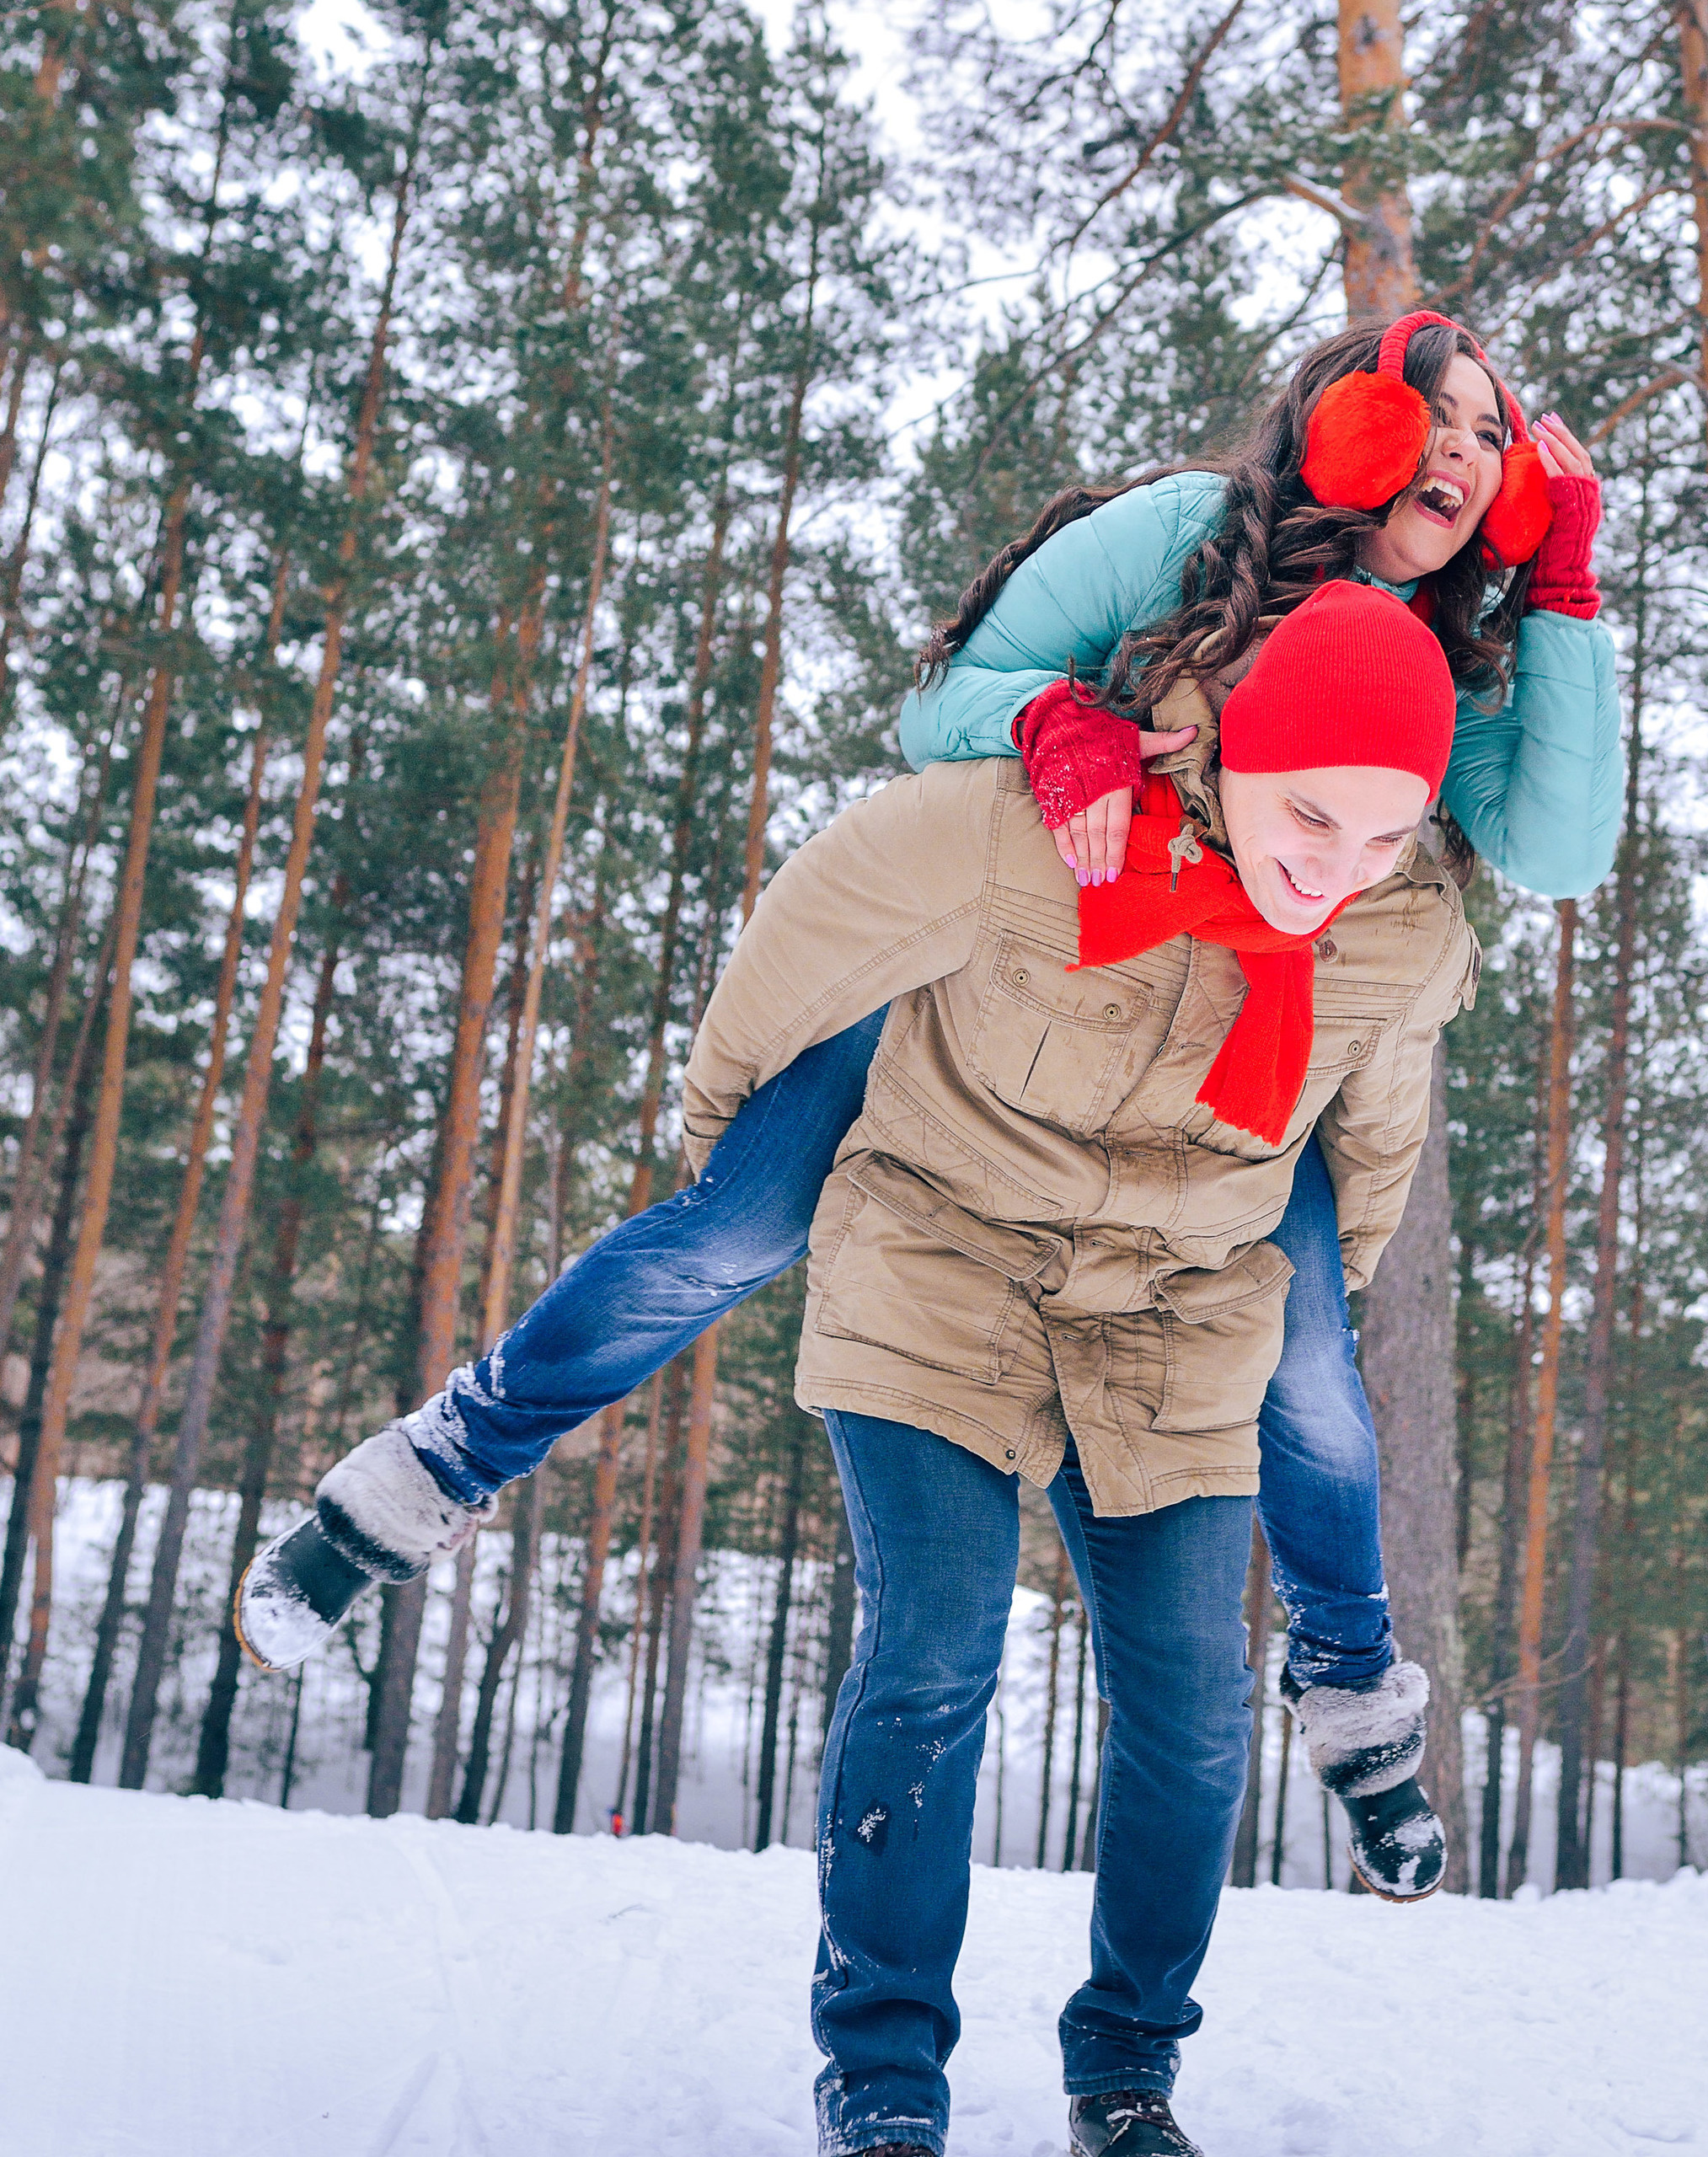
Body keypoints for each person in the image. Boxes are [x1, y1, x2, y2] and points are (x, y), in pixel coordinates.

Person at [237, 311, 1622, 1911]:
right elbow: (953, 707)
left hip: (1238, 1057)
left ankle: (1353, 1688)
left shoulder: (1460, 658)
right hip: (1012, 977)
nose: (1458, 449)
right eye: (1430, 415)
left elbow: (1563, 847)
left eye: (1491, 435)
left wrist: (1569, 582)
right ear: (1346, 422)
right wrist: (1055, 725)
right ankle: (424, 1477)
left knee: (1309, 1357)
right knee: (742, 1217)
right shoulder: (1189, 537)